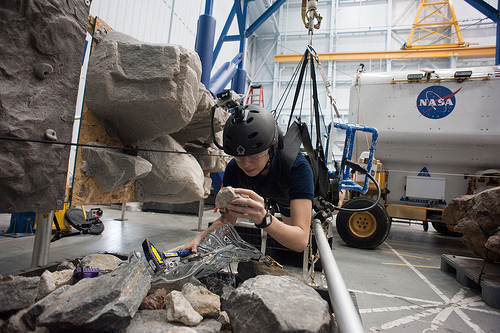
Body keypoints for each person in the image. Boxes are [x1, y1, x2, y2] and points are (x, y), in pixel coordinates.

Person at [181, 104, 315, 253]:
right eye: (239, 157)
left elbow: (301, 242)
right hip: (273, 191)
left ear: (271, 148)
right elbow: (227, 220)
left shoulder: (297, 168)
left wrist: (265, 219)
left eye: (255, 155)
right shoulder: (234, 168)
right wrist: (200, 238)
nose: (246, 164)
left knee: (295, 223)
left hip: (288, 195)